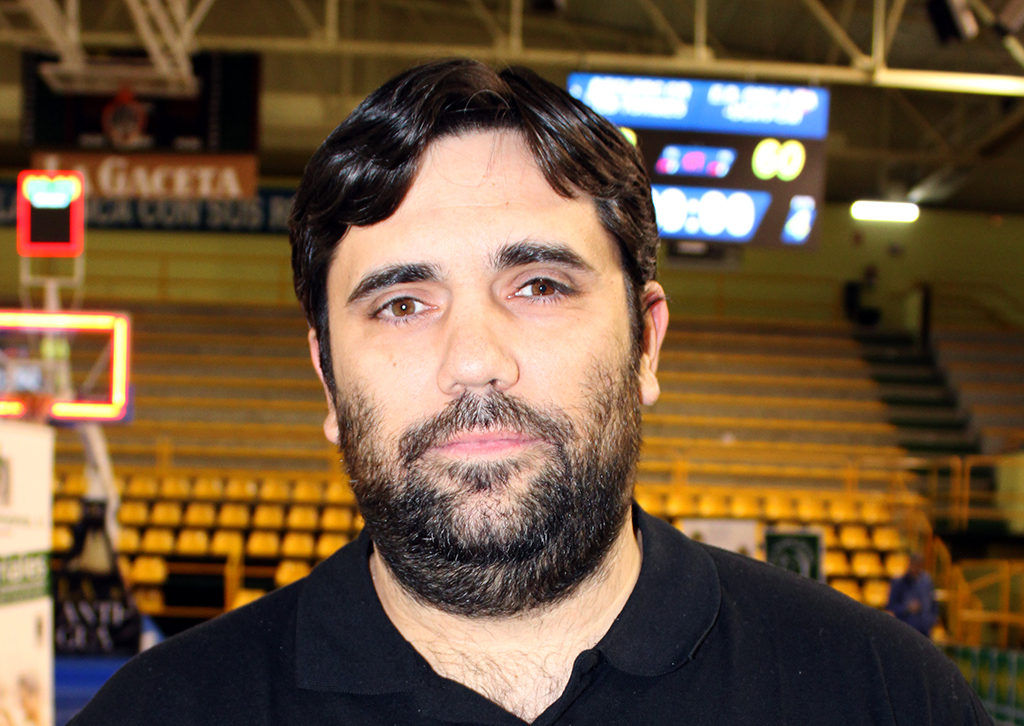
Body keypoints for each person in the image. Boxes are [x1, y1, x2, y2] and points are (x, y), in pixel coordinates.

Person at [70, 59, 991, 725]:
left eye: (540, 286)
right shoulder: (160, 711)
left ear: (646, 343)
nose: (475, 358)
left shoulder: (882, 694)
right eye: (400, 302)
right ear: (325, 373)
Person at [886, 553, 938, 637]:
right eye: (915, 565)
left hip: (924, 631)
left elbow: (933, 604)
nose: (916, 569)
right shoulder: (898, 582)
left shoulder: (927, 582)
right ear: (909, 565)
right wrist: (907, 608)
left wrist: (931, 620)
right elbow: (890, 606)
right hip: (905, 631)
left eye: (919, 566)